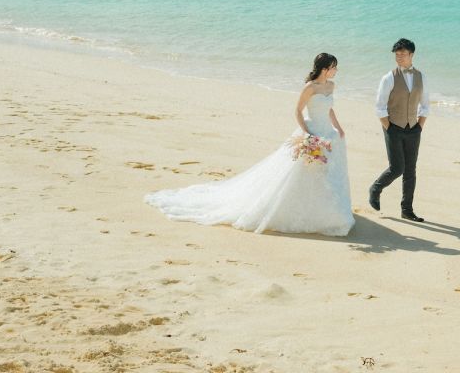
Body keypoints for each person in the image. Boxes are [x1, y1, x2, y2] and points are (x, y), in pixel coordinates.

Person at [145, 53, 354, 236]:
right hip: (311, 132)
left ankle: (325, 210)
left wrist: (339, 128)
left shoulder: (331, 86)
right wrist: (308, 135)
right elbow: (298, 111)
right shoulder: (310, 87)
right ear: (325, 68)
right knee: (301, 172)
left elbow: (329, 109)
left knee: (325, 172)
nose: (336, 70)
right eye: (334, 66)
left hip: (327, 134)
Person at [368, 38, 429, 222]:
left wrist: (419, 126)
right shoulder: (388, 78)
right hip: (393, 127)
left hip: (414, 128)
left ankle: (407, 209)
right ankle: (376, 188)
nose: (399, 57)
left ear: (412, 55)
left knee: (411, 170)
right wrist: (389, 127)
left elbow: (425, 105)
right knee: (397, 168)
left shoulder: (421, 77)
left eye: (403, 54)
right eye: (397, 54)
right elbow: (379, 106)